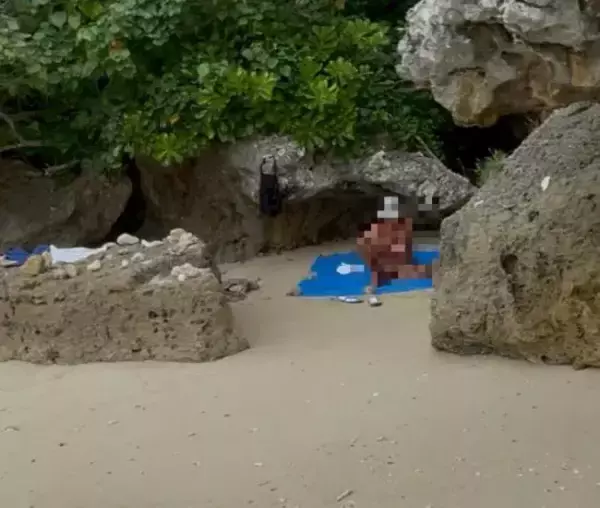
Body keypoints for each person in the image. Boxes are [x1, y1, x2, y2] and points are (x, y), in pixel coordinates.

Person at [356, 196, 432, 305]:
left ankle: (381, 275)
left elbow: (404, 251)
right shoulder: (380, 229)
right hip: (388, 262)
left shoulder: (403, 227)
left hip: (396, 262)